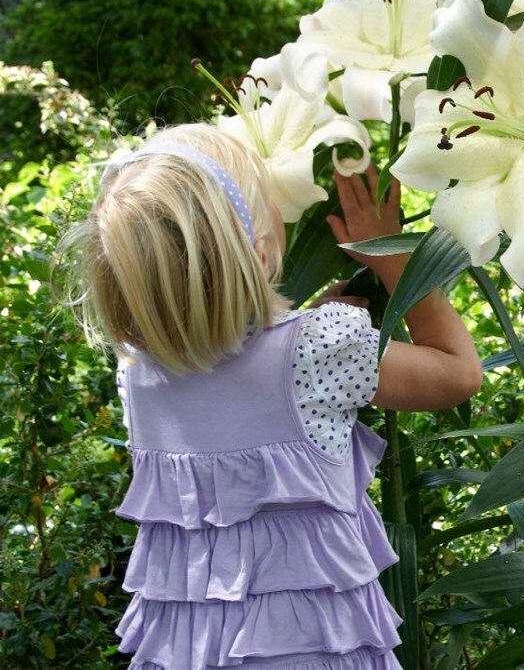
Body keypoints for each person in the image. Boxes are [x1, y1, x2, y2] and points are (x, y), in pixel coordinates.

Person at [59, 122, 481, 670]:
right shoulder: (320, 350)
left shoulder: (136, 375)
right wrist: (394, 256)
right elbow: (457, 372)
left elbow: (231, 369)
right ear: (260, 258)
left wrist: (311, 323)